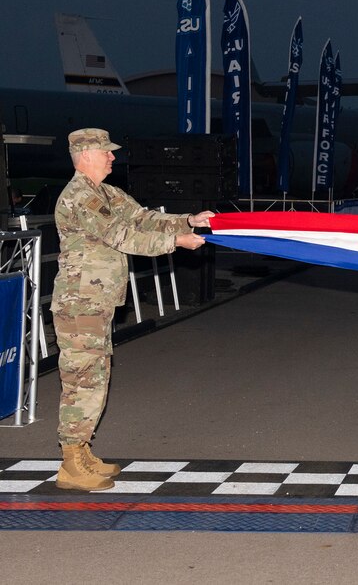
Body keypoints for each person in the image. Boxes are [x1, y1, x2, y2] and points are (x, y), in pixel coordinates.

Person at [51, 129, 213, 492]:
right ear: (85, 154)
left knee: (95, 373)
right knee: (82, 379)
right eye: (106, 152)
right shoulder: (80, 197)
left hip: (96, 303)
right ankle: (71, 463)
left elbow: (142, 219)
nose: (112, 157)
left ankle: (82, 450)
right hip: (80, 304)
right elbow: (124, 237)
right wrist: (177, 242)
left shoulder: (106, 193)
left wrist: (188, 220)